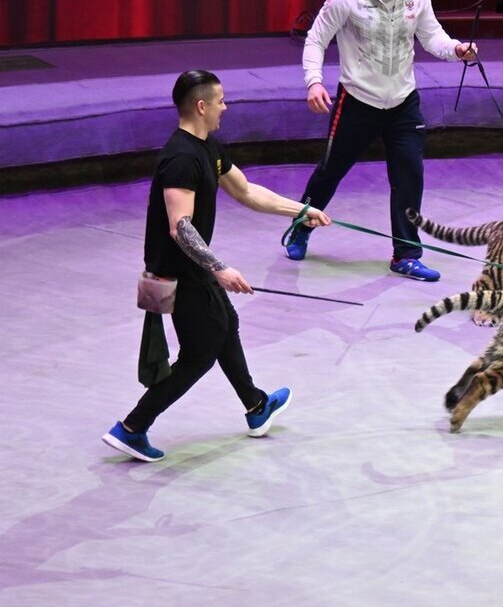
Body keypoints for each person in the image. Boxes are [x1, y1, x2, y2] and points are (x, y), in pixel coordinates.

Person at [101, 71, 332, 463]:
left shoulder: (208, 147)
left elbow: (246, 190)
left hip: (193, 270)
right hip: (180, 274)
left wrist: (302, 210)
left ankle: (256, 405)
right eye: (221, 101)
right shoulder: (181, 158)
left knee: (225, 325)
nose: (226, 107)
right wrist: (220, 268)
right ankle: (132, 428)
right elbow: (180, 227)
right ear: (201, 106)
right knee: (198, 356)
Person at [284, 0, 478, 282]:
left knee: (409, 175)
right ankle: (301, 225)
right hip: (357, 100)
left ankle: (405, 254)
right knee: (331, 171)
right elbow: (315, 40)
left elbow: (433, 36)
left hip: (403, 102)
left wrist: (457, 51)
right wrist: (314, 82)